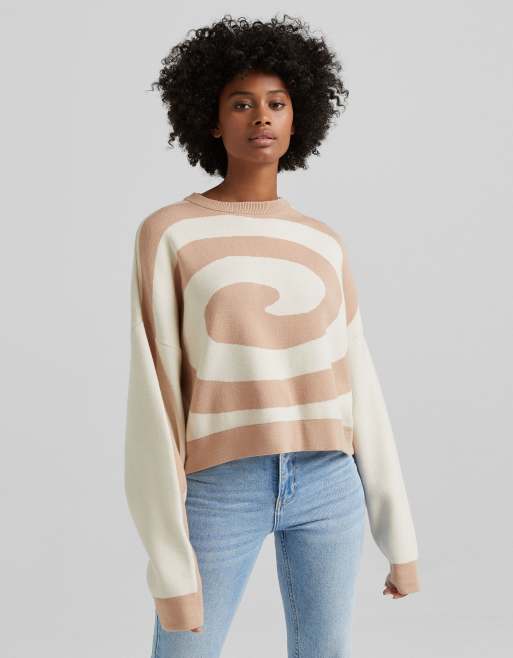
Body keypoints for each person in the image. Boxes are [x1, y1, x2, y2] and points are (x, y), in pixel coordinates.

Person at [124, 13, 421, 658]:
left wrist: (399, 538)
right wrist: (169, 566)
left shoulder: (322, 242)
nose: (261, 116)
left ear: (296, 118)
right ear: (211, 120)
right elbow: (154, 395)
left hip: (328, 481)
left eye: (277, 103)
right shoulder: (169, 233)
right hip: (219, 485)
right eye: (241, 103)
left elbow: (359, 384)